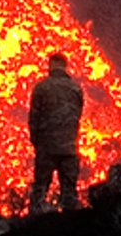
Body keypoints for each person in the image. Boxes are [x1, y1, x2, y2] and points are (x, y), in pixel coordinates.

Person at [27, 52, 84, 212]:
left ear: (50, 66)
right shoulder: (76, 89)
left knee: (40, 190)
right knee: (69, 194)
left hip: (46, 148)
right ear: (65, 67)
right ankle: (69, 230)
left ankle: (33, 227)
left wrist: (36, 142)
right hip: (69, 148)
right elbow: (77, 115)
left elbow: (34, 119)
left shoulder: (41, 88)